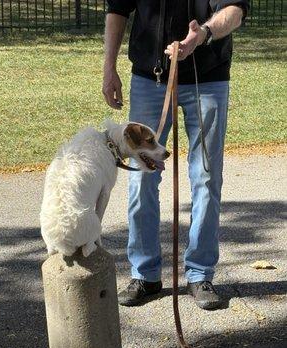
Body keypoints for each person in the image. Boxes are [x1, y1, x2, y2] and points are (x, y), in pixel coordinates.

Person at [103, 0, 249, 310]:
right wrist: (109, 67)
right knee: (141, 178)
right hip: (149, 77)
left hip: (208, 79)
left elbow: (234, 10)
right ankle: (145, 274)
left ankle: (200, 274)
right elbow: (117, 8)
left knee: (206, 176)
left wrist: (204, 34)